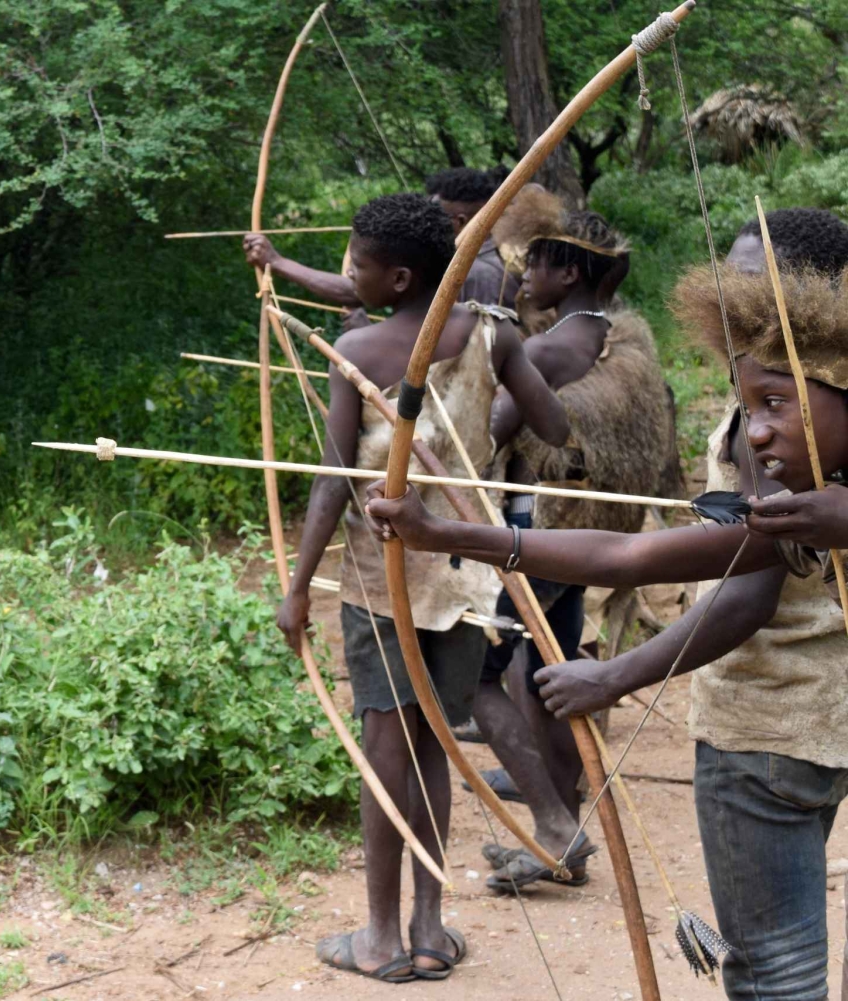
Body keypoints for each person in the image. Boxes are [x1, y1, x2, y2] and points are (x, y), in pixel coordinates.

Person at [360, 223, 848, 999]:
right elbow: (638, 557)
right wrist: (447, 530)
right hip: (811, 729)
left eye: (755, 283)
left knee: (775, 971)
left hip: (769, 730)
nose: (732, 295)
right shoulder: (791, 427)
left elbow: (701, 580)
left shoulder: (795, 442)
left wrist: (615, 673)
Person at [278, 193, 569, 982]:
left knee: (384, 752)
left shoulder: (361, 353)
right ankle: (430, 929)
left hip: (386, 585)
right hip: (465, 578)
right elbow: (554, 429)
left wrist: (298, 584)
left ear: (399, 276)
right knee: (434, 748)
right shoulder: (493, 334)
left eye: (357, 263)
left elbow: (332, 485)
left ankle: (380, 937)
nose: (347, 274)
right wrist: (496, 377)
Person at [464, 190, 674, 891]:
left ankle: (556, 828)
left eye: (538, 263)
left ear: (572, 271)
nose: (523, 274)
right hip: (581, 542)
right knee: (548, 678)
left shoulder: (549, 349)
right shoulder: (610, 336)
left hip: (537, 538)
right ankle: (564, 830)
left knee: (480, 677)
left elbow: (480, 436)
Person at [240, 167, 518, 331]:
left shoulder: (482, 274)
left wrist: (369, 333)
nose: (430, 219)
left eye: (437, 213)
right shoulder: (458, 261)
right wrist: (275, 262)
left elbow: (474, 363)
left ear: (461, 222)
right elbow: (365, 288)